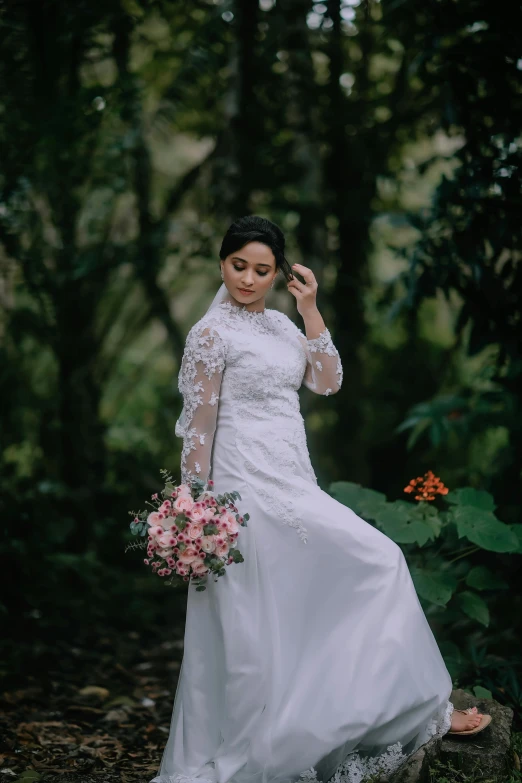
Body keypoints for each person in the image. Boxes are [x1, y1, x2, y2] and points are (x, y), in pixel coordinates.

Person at [151, 216, 486, 783]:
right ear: (222, 263)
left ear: (279, 273)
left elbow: (326, 382)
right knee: (269, 613)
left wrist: (309, 310)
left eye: (263, 270)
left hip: (293, 479)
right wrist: (194, 509)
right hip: (243, 486)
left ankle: (381, 715)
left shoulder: (284, 324)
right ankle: (276, 742)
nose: (249, 280)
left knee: (343, 579)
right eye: (239, 266)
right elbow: (199, 424)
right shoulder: (209, 334)